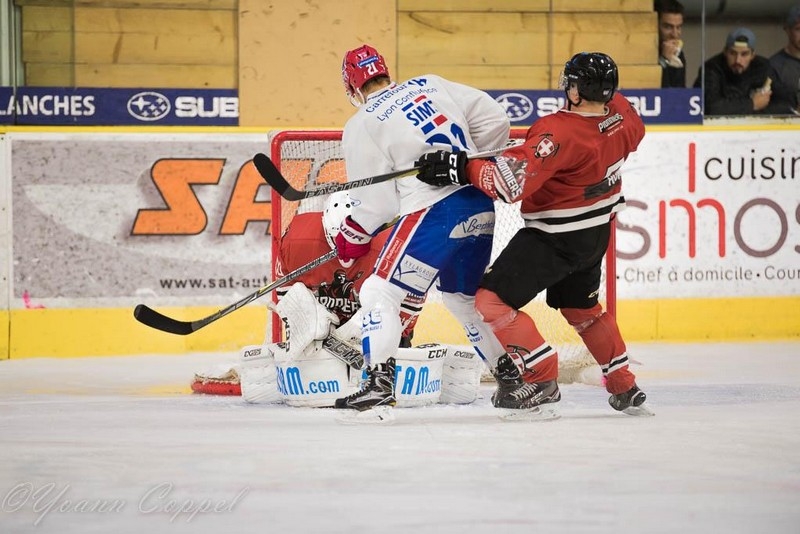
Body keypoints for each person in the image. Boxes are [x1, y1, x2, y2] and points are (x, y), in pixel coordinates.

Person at [415, 52, 653, 418]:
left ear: (575, 91)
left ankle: (541, 378)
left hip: (554, 237)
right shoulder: (621, 113)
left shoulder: (556, 131)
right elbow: (620, 133)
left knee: (490, 302)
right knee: (583, 310)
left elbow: (508, 185)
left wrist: (459, 166)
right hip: (595, 234)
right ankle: (622, 382)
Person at [332, 44, 511, 413]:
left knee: (378, 292)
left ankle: (377, 383)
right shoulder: (430, 84)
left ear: (352, 87)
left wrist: (352, 236)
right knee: (462, 300)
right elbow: (496, 121)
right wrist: (463, 163)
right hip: (478, 203)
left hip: (434, 212)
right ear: (385, 71)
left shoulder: (362, 122)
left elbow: (377, 205)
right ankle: (511, 378)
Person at [693, 27, 785, 115]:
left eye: (744, 54)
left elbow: (785, 102)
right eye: (733, 53)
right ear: (725, 52)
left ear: (753, 55)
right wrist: (752, 104)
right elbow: (711, 107)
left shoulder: (763, 67)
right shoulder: (711, 69)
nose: (738, 60)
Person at [769, 5, 800, 114]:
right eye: (798, 29)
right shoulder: (774, 66)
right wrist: (795, 111)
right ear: (787, 30)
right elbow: (765, 106)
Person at [655, 0, 686, 88]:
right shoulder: (643, 52)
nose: (675, 34)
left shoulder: (679, 54)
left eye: (678, 27)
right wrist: (663, 61)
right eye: (668, 27)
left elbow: (679, 93)